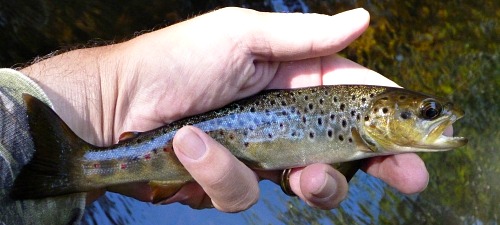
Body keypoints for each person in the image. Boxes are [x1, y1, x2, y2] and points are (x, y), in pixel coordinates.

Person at [15, 7, 431, 212]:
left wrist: (108, 96)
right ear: (381, 114)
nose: (435, 119)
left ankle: (75, 166)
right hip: (134, 147)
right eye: (427, 113)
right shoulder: (356, 120)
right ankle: (76, 166)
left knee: (322, 184)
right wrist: (115, 90)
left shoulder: (358, 135)